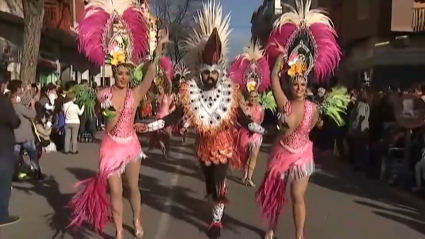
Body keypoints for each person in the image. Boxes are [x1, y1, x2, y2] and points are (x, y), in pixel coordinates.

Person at [135, 2, 266, 238]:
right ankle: (214, 199)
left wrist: (260, 128)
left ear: (220, 72)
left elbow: (240, 118)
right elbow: (173, 118)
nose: (210, 77)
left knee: (218, 181)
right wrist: (148, 126)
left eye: (214, 73)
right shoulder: (191, 92)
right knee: (208, 182)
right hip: (204, 147)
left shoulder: (229, 92)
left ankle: (216, 221)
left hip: (224, 145)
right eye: (206, 73)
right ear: (200, 71)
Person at [67, 1, 168, 237]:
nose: (123, 76)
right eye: (119, 72)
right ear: (114, 72)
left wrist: (159, 49)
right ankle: (120, 231)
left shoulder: (136, 93)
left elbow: (151, 73)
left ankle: (137, 219)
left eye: (126, 73)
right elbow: (91, 108)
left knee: (132, 186)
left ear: (130, 73)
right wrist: (98, 107)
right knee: (115, 190)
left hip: (130, 145)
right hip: (110, 147)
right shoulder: (103, 94)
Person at [255, 1, 343, 238]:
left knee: (297, 196)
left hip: (302, 154)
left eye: (304, 83)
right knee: (277, 194)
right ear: (291, 85)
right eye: (296, 83)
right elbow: (274, 80)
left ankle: (299, 234)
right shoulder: (283, 101)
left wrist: (319, 121)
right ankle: (271, 228)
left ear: (307, 85)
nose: (300, 87)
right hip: (281, 153)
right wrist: (279, 63)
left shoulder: (313, 108)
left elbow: (318, 125)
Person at [229, 42, 273, 187]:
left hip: (256, 136)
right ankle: (245, 174)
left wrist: (259, 130)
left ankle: (249, 177)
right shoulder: (244, 107)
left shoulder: (261, 108)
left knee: (254, 155)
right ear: (248, 97)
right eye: (251, 97)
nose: (253, 99)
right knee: (246, 155)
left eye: (255, 97)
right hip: (244, 135)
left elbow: (261, 121)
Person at [0, 75, 21, 227]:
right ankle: (2, 215)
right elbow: (15, 122)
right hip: (3, 145)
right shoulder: (3, 102)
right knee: (4, 181)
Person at [147, 56, 174, 159]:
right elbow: (149, 96)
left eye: (161, 88)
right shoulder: (156, 97)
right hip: (159, 117)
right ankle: (163, 149)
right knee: (160, 136)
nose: (160, 89)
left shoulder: (167, 95)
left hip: (167, 117)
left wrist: (166, 74)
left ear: (163, 88)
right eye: (158, 88)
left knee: (167, 136)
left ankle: (167, 149)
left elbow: (170, 85)